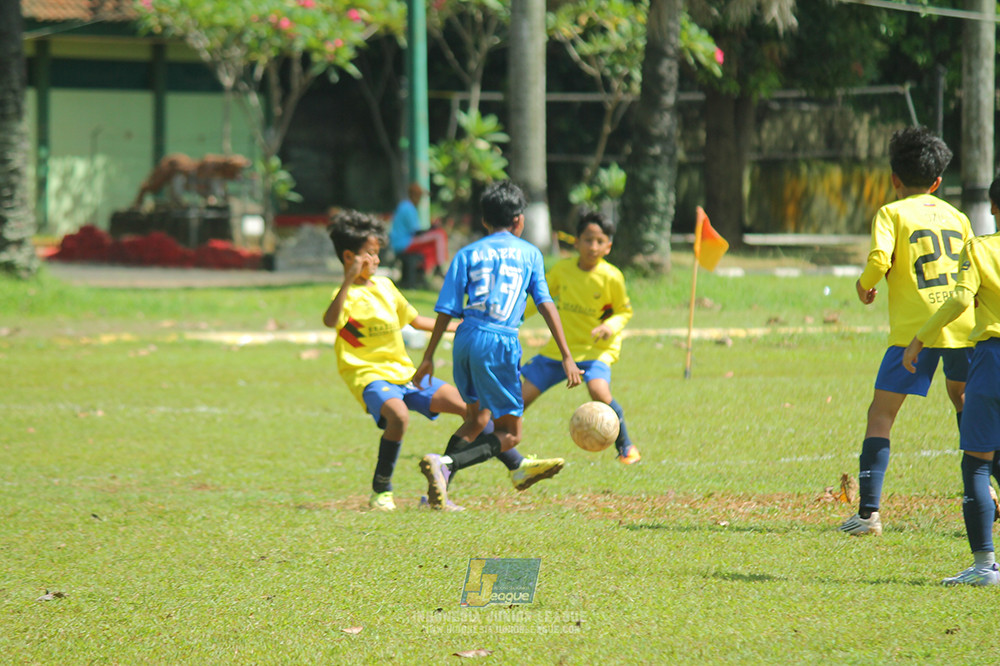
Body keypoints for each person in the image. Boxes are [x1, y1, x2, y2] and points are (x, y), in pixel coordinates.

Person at [323, 210, 561, 512]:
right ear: (348, 256)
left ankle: (514, 467)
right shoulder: (344, 295)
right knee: (399, 417)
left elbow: (417, 321)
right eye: (370, 254)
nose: (377, 260)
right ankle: (381, 490)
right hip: (370, 376)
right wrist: (346, 281)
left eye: (377, 253)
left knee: (472, 411)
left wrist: (463, 324)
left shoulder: (384, 287)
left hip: (406, 375)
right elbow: (331, 321)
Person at [838, 126, 975, 537]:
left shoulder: (892, 213)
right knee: (968, 407)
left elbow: (880, 258)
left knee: (881, 414)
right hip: (960, 326)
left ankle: (868, 515)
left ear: (894, 179)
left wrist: (865, 284)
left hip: (913, 333)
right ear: (937, 182)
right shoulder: (958, 217)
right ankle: (986, 490)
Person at [413, 180, 583, 509]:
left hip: (465, 339)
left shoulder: (467, 254)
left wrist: (428, 357)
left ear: (484, 220)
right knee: (511, 433)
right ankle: (447, 464)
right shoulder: (530, 254)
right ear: (519, 220)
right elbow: (546, 303)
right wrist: (566, 355)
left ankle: (439, 493)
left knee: (477, 420)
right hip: (499, 341)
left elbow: (446, 310)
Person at [900, 175, 1000, 585]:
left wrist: (920, 339)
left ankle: (983, 567)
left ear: (994, 207)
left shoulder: (979, 248)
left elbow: (961, 298)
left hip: (992, 359)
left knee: (976, 464)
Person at [520, 210, 640, 463]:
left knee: (599, 392)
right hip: (559, 352)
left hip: (595, 350)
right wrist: (515, 317)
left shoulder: (611, 277)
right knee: (521, 398)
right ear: (576, 242)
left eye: (599, 241)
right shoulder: (562, 271)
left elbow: (624, 311)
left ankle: (626, 447)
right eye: (587, 239)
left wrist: (610, 325)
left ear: (608, 246)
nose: (593, 246)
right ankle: (497, 442)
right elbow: (539, 300)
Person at [388, 183, 449, 276]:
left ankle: (428, 269)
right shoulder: (408, 207)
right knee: (440, 234)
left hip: (401, 242)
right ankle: (439, 267)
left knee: (432, 244)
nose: (419, 199)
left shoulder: (404, 206)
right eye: (418, 196)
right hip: (404, 243)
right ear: (413, 195)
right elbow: (416, 232)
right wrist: (432, 229)